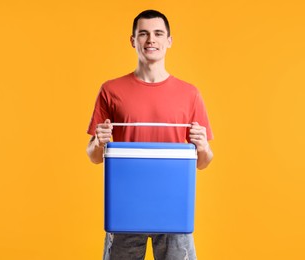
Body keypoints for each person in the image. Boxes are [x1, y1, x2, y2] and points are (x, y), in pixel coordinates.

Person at [86, 9, 213, 260]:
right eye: (143, 34)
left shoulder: (190, 94)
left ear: (169, 41)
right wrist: (99, 142)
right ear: (133, 40)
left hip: (175, 205)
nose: (150, 40)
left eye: (157, 33)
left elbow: (204, 162)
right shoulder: (110, 90)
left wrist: (203, 148)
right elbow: (93, 156)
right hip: (125, 205)